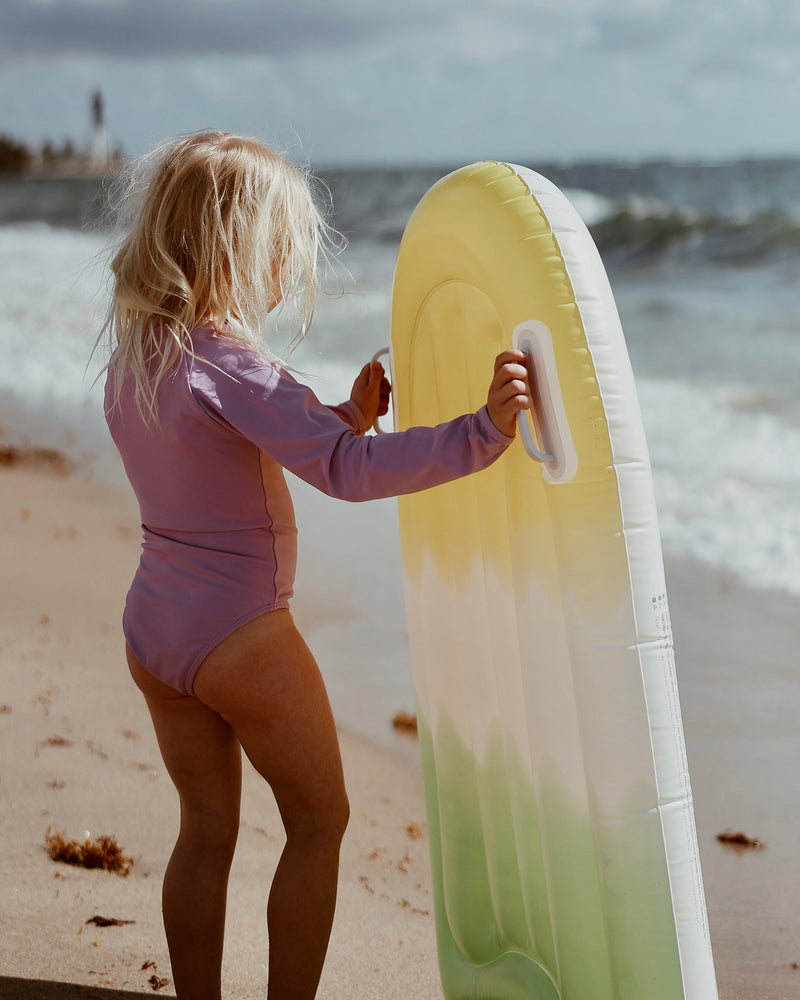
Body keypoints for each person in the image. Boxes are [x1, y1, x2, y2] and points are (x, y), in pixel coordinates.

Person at [101, 130, 530, 1000]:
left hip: (155, 631)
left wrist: (344, 412)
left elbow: (223, 450)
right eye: (282, 242)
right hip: (241, 634)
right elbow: (344, 472)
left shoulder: (137, 360)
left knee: (206, 832)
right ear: (237, 246)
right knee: (319, 823)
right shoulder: (239, 366)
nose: (290, 260)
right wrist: (479, 434)